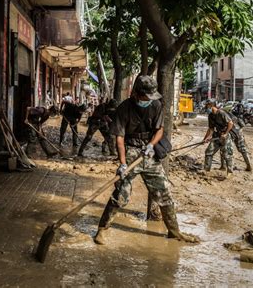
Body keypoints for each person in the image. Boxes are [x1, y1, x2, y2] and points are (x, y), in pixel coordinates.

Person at [93, 75, 199, 245]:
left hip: (149, 153)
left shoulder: (156, 105)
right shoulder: (124, 108)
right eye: (145, 97)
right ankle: (102, 230)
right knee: (121, 195)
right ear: (136, 93)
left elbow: (159, 130)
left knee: (164, 193)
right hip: (130, 151)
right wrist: (122, 163)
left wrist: (151, 145)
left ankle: (174, 231)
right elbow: (119, 138)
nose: (148, 100)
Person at [202, 99, 234, 175]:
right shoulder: (210, 116)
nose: (206, 107)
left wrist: (226, 133)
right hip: (217, 136)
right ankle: (206, 170)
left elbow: (230, 123)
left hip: (225, 136)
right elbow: (211, 128)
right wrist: (206, 138)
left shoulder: (221, 113)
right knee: (208, 152)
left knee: (227, 154)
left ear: (211, 105)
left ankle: (230, 172)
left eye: (207, 105)